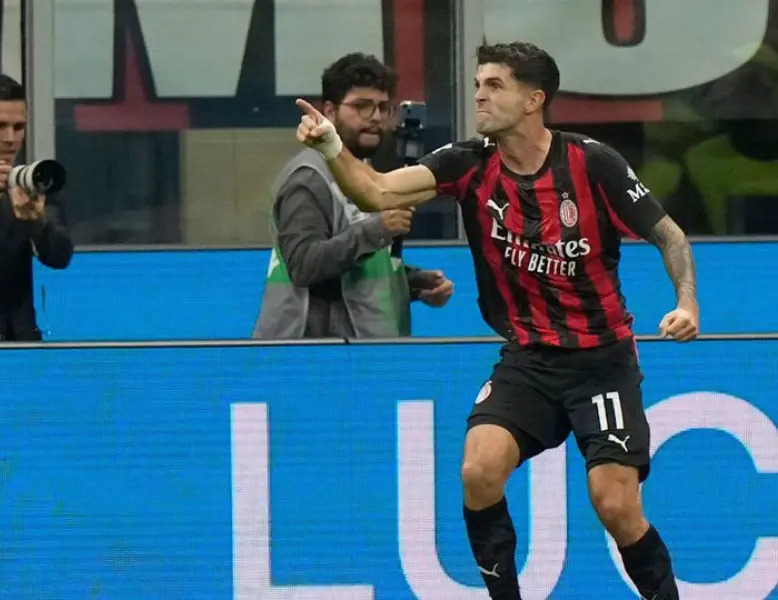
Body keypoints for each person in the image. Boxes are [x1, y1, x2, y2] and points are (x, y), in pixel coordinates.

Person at [294, 42, 698, 599]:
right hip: (528, 359)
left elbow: (669, 235)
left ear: (534, 100)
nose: (479, 96)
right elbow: (376, 189)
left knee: (615, 503)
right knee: (478, 471)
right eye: (478, 84)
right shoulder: (466, 161)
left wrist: (686, 303)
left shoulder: (593, 163)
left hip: (601, 361)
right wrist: (332, 145)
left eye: (494, 85)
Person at [254, 53, 453, 340]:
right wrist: (377, 229)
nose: (375, 117)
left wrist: (411, 283)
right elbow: (303, 265)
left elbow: (358, 264)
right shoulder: (309, 178)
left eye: (382, 107)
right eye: (361, 106)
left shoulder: (365, 172)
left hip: (362, 349)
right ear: (330, 111)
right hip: (312, 353)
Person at [0, 74, 73, 341]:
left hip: (15, 346)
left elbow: (60, 256)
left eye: (18, 127)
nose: (10, 139)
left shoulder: (31, 183)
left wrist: (37, 226)